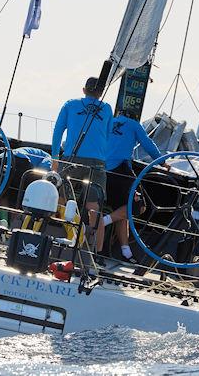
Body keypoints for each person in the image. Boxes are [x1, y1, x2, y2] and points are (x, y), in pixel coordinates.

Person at [50, 76, 113, 253]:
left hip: (72, 159)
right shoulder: (107, 108)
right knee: (94, 207)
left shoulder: (70, 104)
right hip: (98, 163)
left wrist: (55, 159)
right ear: (100, 93)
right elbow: (108, 136)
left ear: (84, 90)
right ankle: (96, 252)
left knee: (61, 198)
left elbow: (57, 132)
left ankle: (62, 236)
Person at [103, 110, 163, 262]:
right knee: (137, 206)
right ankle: (102, 222)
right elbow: (148, 144)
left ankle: (126, 253)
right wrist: (162, 161)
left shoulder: (109, 122)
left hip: (103, 172)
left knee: (123, 210)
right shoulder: (134, 125)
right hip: (120, 171)